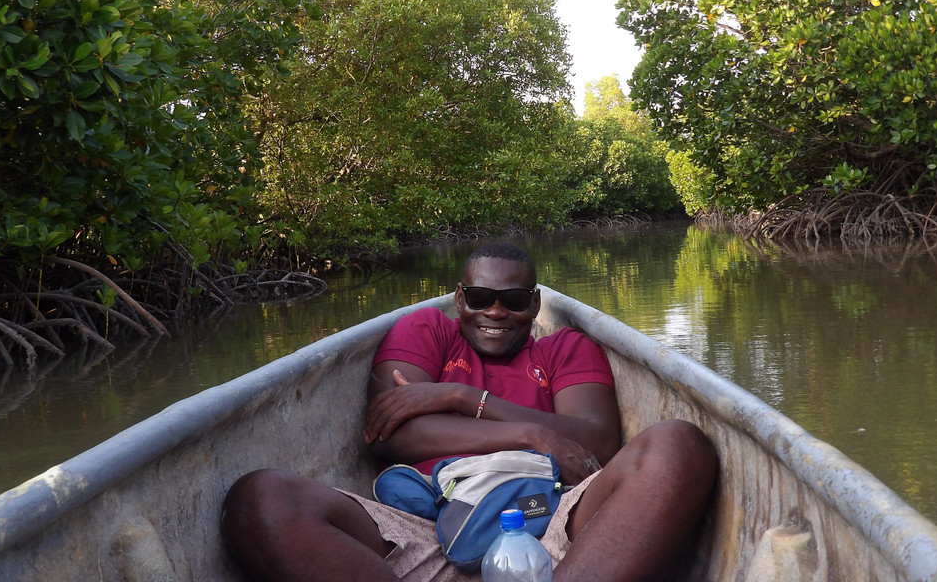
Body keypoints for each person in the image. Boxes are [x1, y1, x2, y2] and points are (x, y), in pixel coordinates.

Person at [221, 243, 717, 582]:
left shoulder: (565, 349)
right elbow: (392, 435)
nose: (495, 312)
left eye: (514, 300)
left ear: (535, 303)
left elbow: (598, 445)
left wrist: (459, 399)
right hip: (415, 520)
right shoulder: (426, 331)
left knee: (678, 445)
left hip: (548, 516)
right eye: (479, 298)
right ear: (460, 298)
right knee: (261, 498)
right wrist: (535, 432)